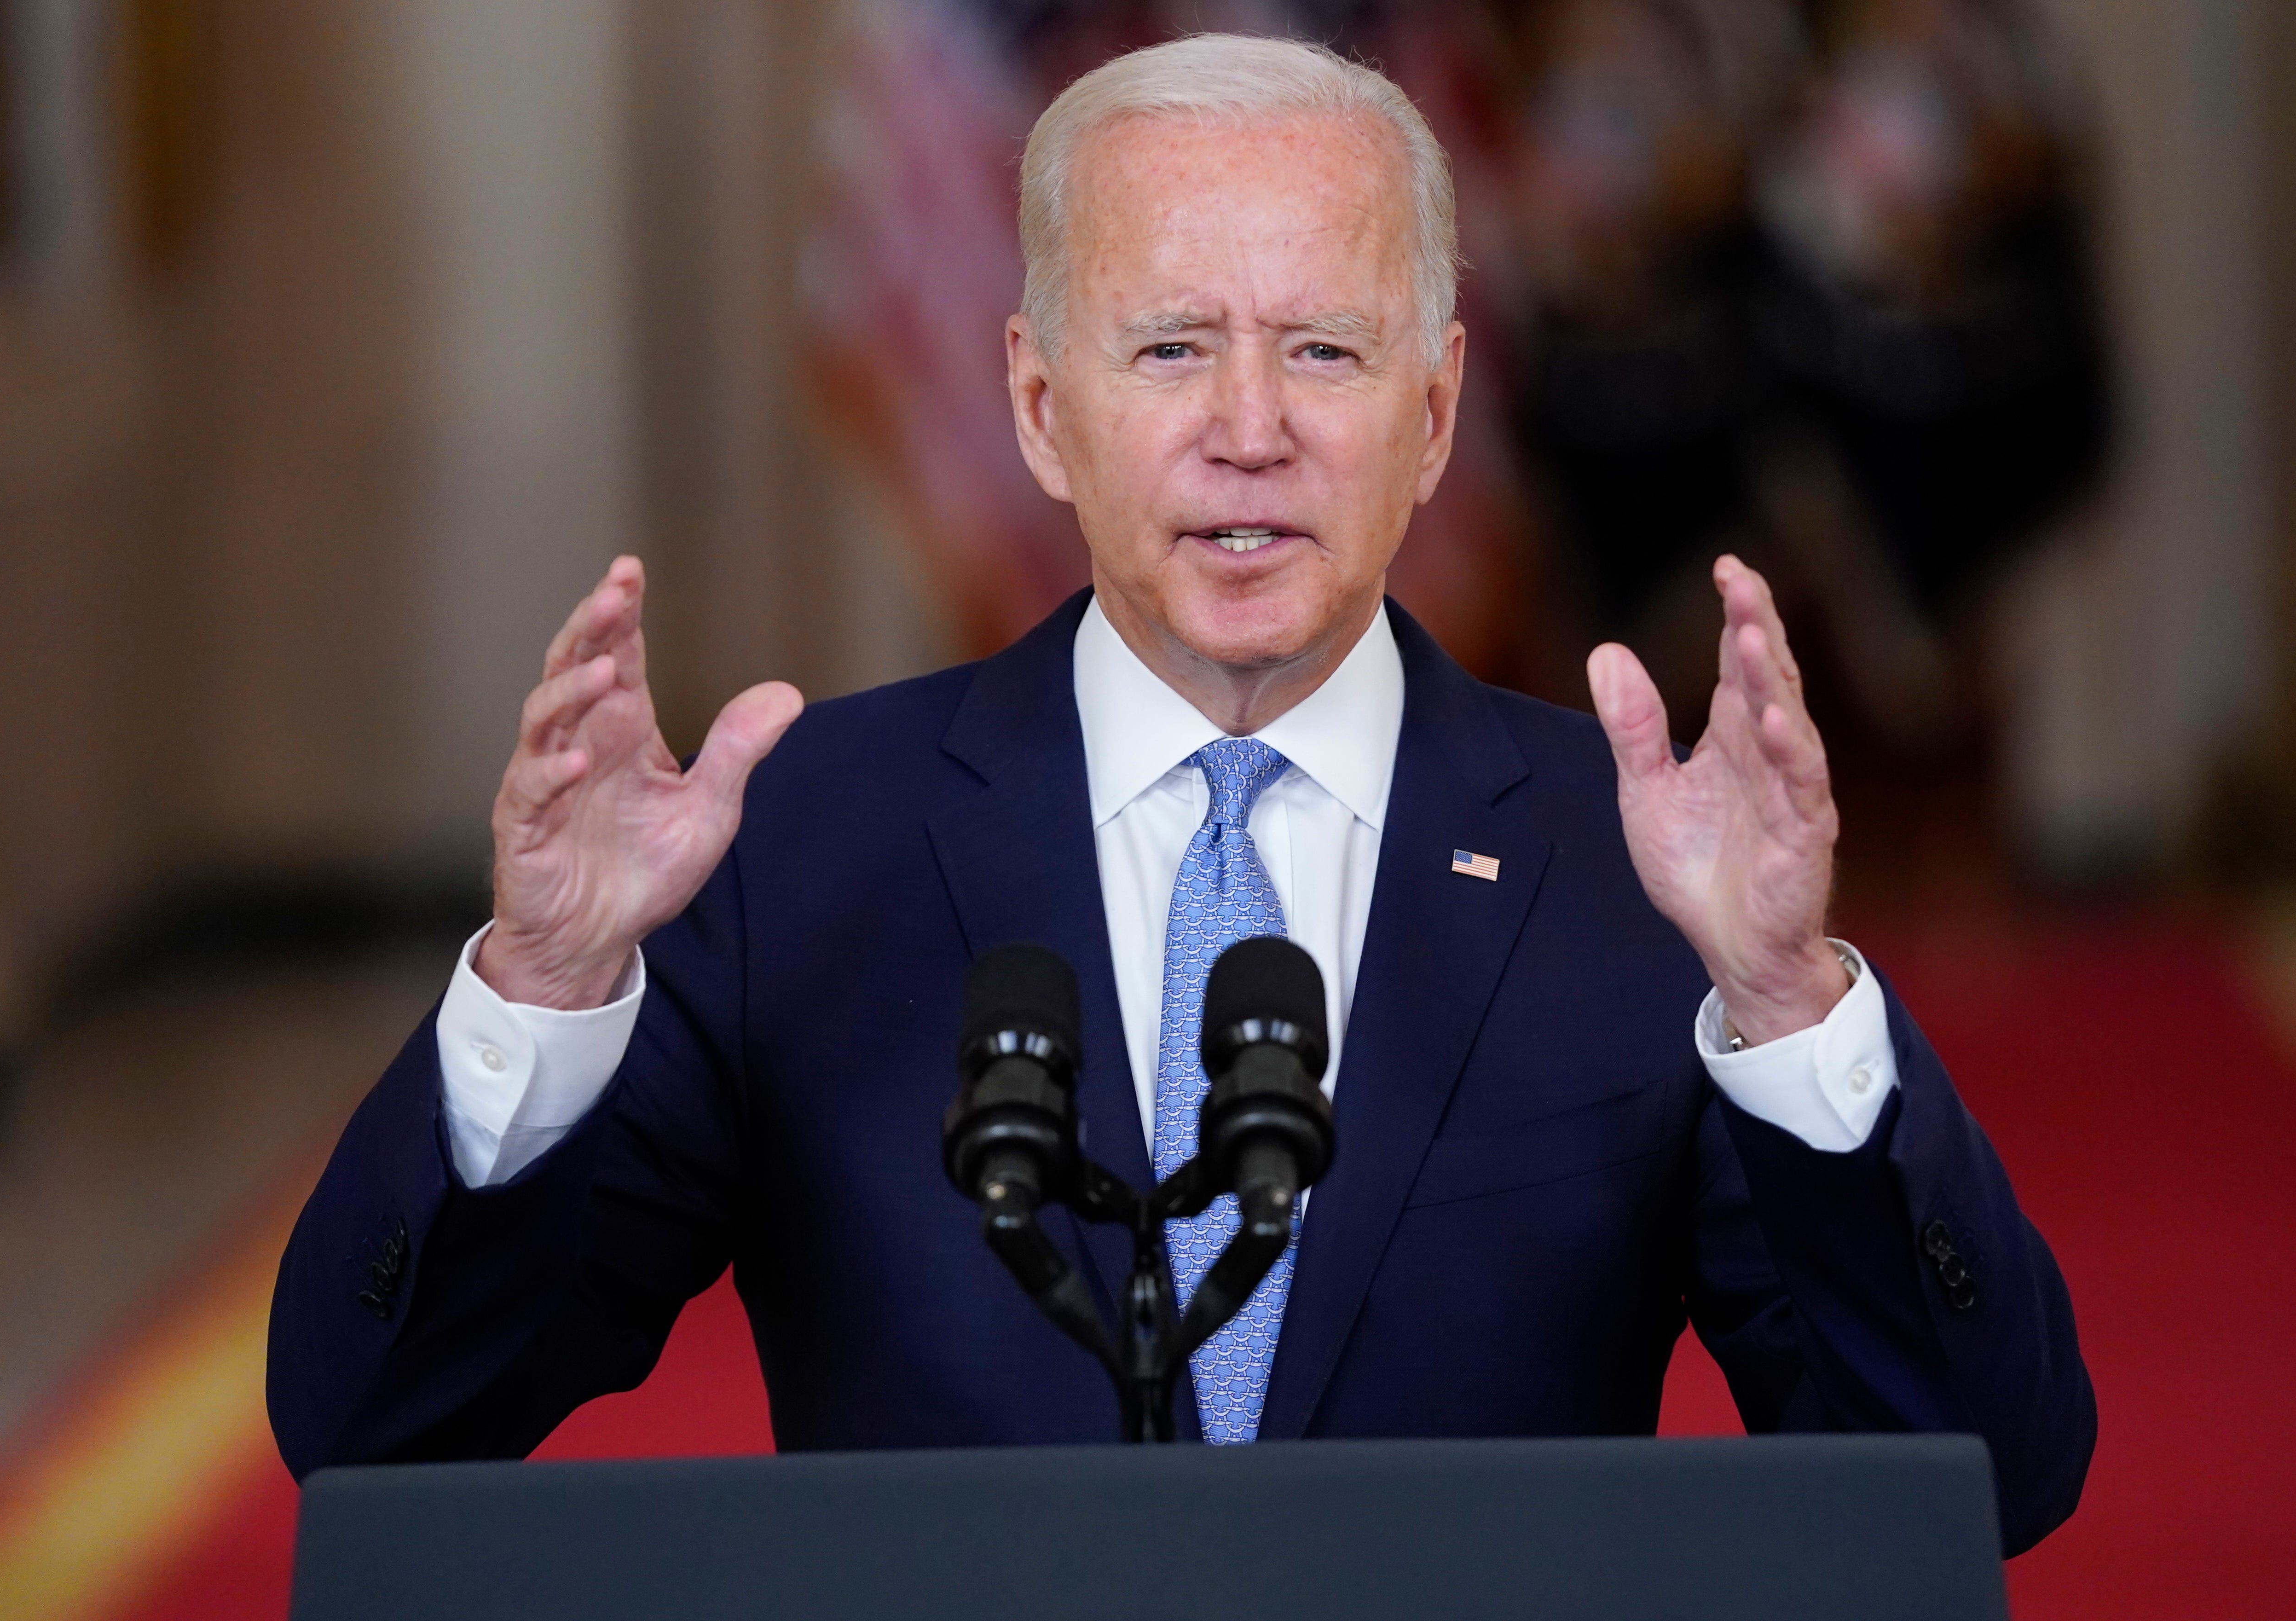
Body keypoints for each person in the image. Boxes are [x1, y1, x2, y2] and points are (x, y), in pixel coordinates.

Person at [268, 35, 2092, 1555]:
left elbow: (1985, 1470)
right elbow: (380, 1425)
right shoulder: (802, 849)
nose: (1248, 426)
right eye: (1167, 348)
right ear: (1041, 407)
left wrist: (1789, 1007)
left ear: (1436, 412)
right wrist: (546, 989)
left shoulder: (1629, 867)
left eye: (1323, 348)